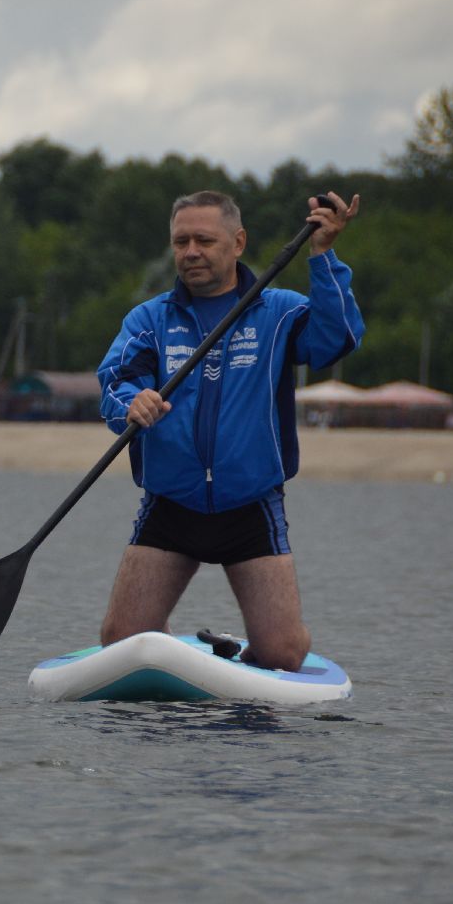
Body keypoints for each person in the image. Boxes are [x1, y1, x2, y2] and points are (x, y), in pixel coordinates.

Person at [95, 190, 363, 670]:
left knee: (283, 654)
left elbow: (337, 338)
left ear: (237, 243)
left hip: (250, 508)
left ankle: (254, 646)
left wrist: (322, 254)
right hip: (171, 506)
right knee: (119, 642)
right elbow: (114, 383)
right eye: (181, 242)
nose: (191, 252)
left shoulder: (278, 312)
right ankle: (163, 642)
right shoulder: (150, 320)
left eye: (204, 240)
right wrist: (131, 403)